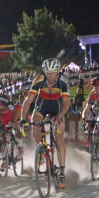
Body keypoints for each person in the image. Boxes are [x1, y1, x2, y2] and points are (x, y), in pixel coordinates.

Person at [20, 58, 70, 188]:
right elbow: (28, 101)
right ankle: (41, 150)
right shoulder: (39, 80)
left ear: (58, 71)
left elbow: (66, 103)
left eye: (53, 73)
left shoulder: (63, 82)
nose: (50, 76)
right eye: (48, 73)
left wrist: (59, 117)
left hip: (58, 108)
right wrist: (22, 119)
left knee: (59, 138)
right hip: (42, 106)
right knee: (34, 124)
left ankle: (62, 172)